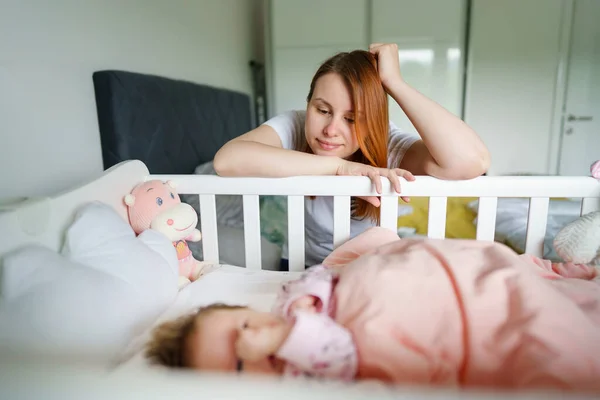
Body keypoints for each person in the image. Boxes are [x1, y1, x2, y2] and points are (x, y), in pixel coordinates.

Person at [213, 43, 491, 269]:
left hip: (367, 268)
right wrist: (338, 167)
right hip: (302, 264)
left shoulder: (388, 144)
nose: (331, 130)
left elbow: (471, 162)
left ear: (373, 121)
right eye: (322, 110)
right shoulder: (296, 126)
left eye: (351, 118)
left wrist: (394, 83)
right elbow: (226, 161)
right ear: (309, 103)